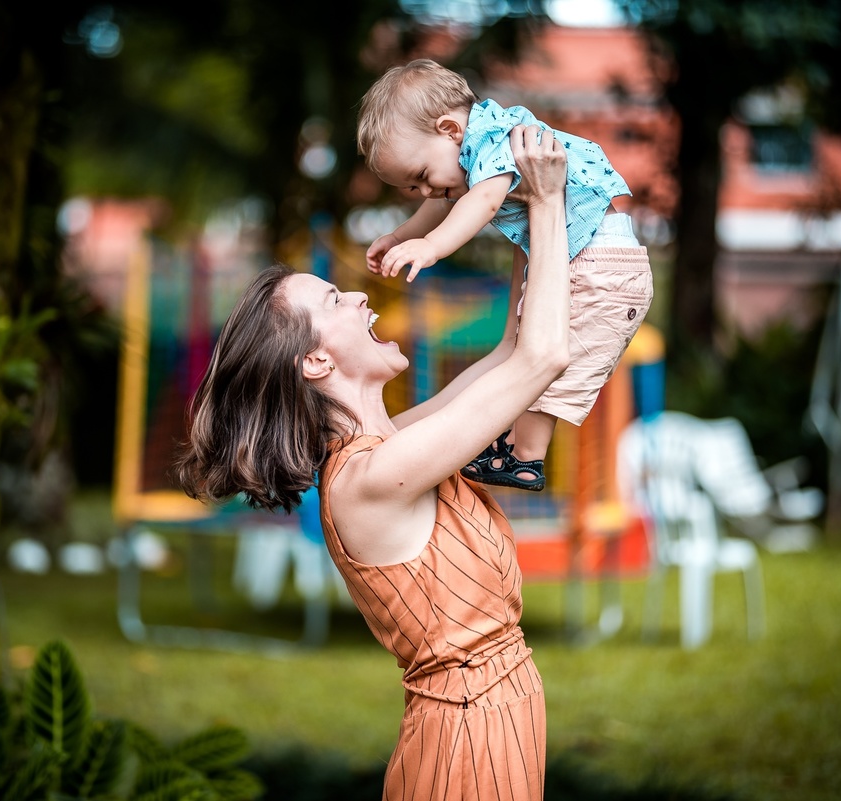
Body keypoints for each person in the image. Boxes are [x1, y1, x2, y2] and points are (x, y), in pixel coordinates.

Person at [176, 126, 568, 801]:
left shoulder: (392, 448)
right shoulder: (368, 481)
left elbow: (511, 348)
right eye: (335, 300)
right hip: (467, 749)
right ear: (315, 361)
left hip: (491, 727)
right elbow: (543, 357)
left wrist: (516, 213)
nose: (359, 297)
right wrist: (550, 202)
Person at [355, 58, 653, 492]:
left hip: (600, 266)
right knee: (524, 359)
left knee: (547, 365)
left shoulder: (497, 144)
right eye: (413, 187)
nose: (425, 191)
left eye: (421, 176)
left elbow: (483, 204)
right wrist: (400, 235)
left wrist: (431, 246)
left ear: (449, 130)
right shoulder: (472, 151)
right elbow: (443, 202)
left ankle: (525, 456)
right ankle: (506, 446)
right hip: (591, 260)